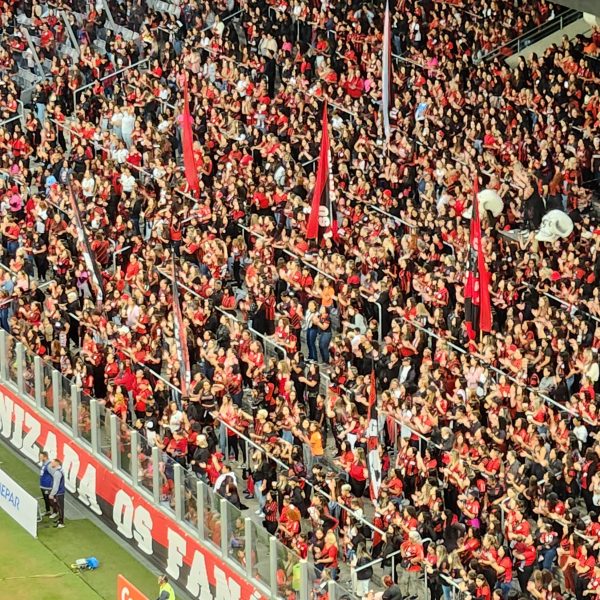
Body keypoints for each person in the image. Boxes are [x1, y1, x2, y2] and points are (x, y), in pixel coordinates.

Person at [49, 458, 65, 528]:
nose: (51, 464)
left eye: (52, 463)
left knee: (60, 507)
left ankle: (61, 522)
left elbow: (56, 485)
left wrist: (52, 494)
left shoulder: (57, 473)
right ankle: (59, 520)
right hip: (59, 492)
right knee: (59, 506)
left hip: (59, 493)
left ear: (56, 463)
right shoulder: (59, 471)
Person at [39, 451, 53, 516]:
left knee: (49, 500)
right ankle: (48, 511)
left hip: (47, 486)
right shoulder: (44, 463)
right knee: (46, 499)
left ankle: (56, 511)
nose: (39, 457)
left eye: (41, 456)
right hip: (43, 485)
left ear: (45, 457)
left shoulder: (49, 465)